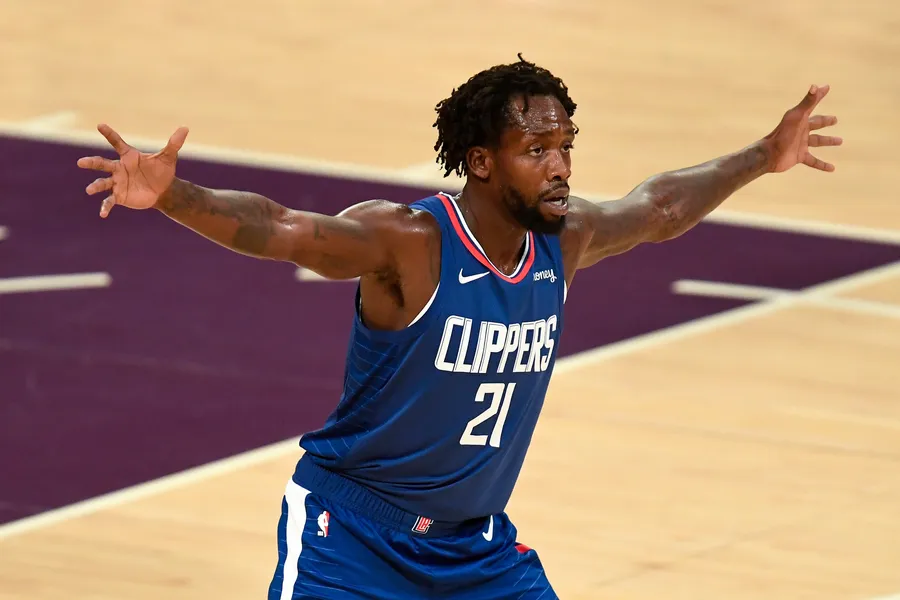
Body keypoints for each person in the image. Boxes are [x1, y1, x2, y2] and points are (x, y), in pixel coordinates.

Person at [76, 55, 841, 599]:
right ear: (481, 161)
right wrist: (172, 196)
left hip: (476, 551)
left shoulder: (565, 238)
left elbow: (661, 208)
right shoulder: (409, 242)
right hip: (354, 540)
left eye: (566, 146)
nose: (560, 166)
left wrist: (764, 154)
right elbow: (284, 228)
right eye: (536, 150)